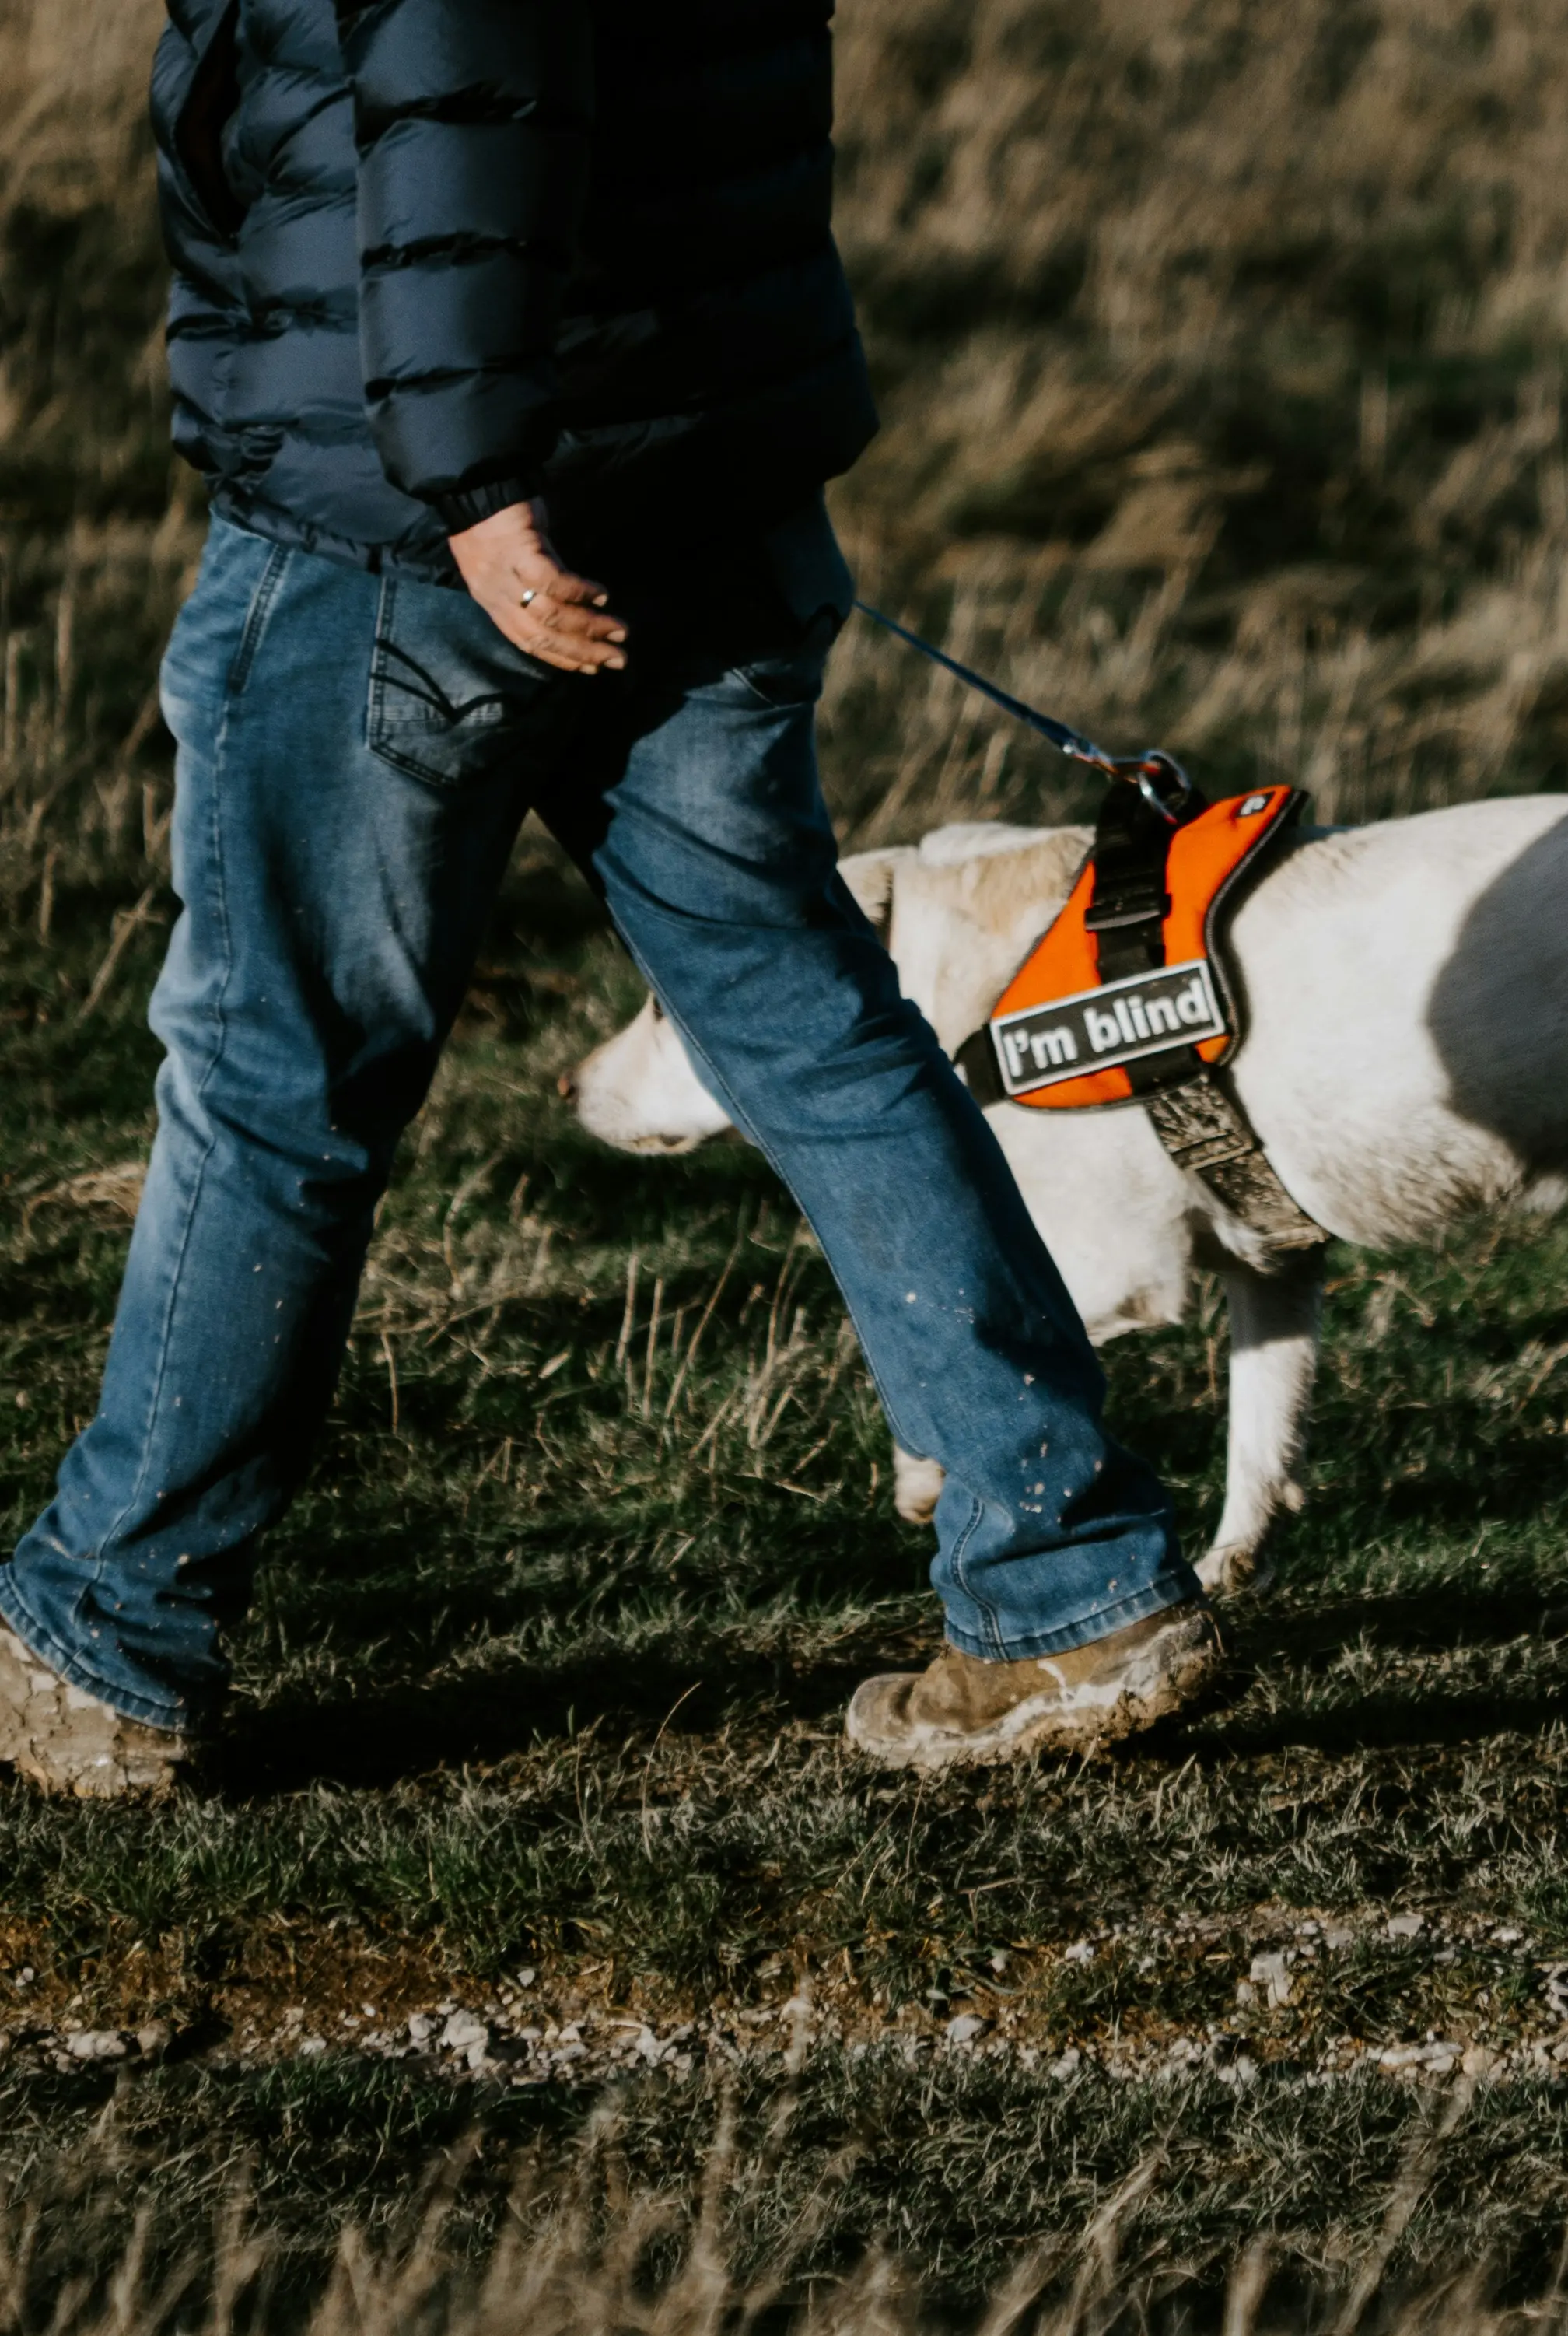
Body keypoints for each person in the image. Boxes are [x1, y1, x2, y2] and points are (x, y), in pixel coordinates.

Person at [0, 0, 1219, 1797]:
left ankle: (106, 1641)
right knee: (814, 1023)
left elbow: (463, 78)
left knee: (280, 1075)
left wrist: (478, 477)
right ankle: (1068, 1586)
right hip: (701, 481)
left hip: (420, 522)